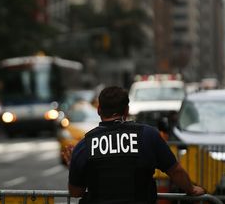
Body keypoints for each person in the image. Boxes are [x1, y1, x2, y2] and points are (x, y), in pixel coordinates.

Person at [63, 86, 205, 204]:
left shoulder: (85, 145)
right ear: (126, 110)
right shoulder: (149, 136)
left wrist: (73, 166)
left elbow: (76, 192)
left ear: (99, 110)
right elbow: (175, 171)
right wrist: (191, 189)